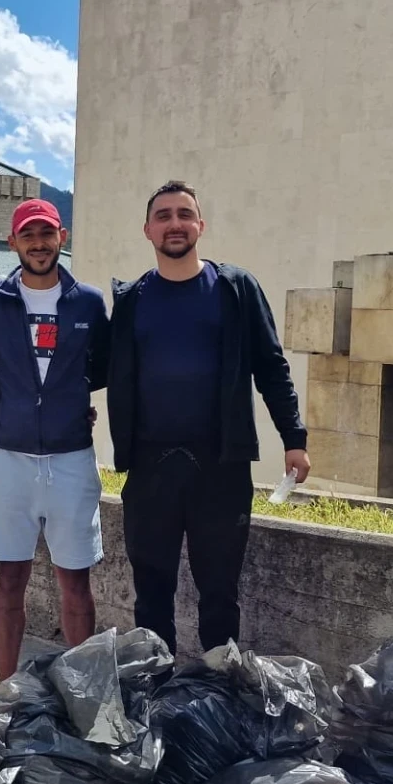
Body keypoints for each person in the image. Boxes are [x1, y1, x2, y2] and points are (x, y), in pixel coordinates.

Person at [105, 180, 309, 655]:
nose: (174, 223)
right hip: (150, 465)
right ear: (147, 230)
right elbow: (98, 368)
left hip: (222, 466)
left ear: (200, 225)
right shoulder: (132, 299)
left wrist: (293, 437)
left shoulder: (236, 289)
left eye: (183, 214)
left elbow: (271, 366)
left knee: (219, 592)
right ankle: (154, 687)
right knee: (151, 593)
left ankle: (219, 693)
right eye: (163, 216)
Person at [0, 198, 111, 679]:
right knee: (9, 579)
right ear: (12, 242)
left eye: (46, 233)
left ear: (62, 238)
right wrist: (17, 406)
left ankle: (86, 694)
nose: (38, 243)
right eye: (27, 235)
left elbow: (103, 367)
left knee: (75, 581)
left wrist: (68, 399)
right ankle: (6, 689)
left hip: (71, 459)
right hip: (10, 458)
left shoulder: (89, 302)